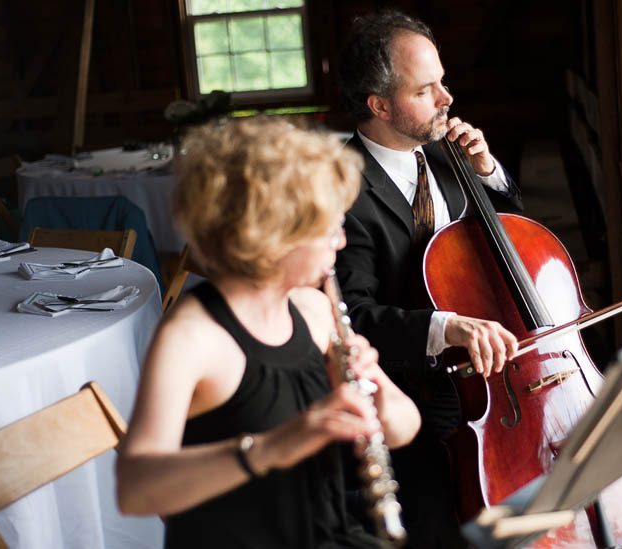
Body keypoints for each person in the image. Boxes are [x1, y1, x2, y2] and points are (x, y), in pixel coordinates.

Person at [116, 118, 421, 548]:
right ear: (272, 237)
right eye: (328, 227)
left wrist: (377, 391)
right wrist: (268, 448)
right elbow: (134, 489)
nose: (341, 240)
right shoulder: (190, 337)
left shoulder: (316, 309)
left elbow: (404, 428)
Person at [336, 9, 524, 547]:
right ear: (380, 105)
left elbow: (515, 240)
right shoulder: (342, 190)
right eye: (426, 90)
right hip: (414, 394)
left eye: (442, 81)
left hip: (499, 370)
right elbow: (353, 317)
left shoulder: (451, 154)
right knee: (448, 526)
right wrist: (446, 328)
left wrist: (490, 174)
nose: (446, 99)